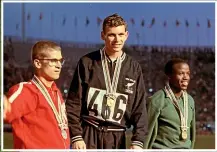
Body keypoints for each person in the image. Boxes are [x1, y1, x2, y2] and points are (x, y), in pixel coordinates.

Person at [66, 13, 148, 149]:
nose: (117, 39)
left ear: (126, 35)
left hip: (118, 136)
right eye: (111, 35)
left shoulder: (134, 67)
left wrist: (138, 140)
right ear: (102, 35)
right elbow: (74, 102)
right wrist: (76, 135)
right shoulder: (87, 62)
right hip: (89, 133)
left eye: (121, 35)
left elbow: (139, 107)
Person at [4, 40, 70, 149]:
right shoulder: (27, 91)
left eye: (60, 60)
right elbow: (6, 111)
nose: (59, 65)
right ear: (38, 63)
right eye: (53, 60)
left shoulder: (56, 91)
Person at [144, 58, 196, 149]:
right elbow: (146, 132)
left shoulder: (190, 100)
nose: (186, 77)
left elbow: (192, 133)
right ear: (169, 76)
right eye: (181, 73)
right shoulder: (157, 100)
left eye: (188, 73)